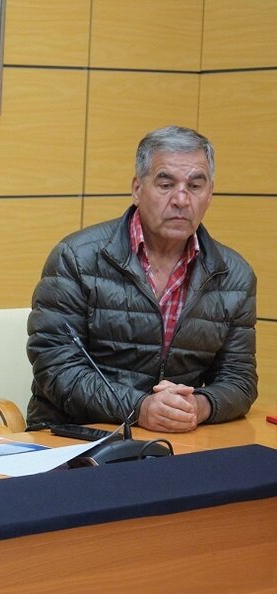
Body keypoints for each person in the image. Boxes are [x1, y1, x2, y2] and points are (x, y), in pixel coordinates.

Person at [27, 126, 257, 432]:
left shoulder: (234, 275)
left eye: (195, 186)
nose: (181, 199)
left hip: (177, 439)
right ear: (137, 189)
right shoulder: (77, 258)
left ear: (210, 193)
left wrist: (198, 406)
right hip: (76, 437)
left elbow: (239, 379)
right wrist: (139, 408)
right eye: (165, 184)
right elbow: (55, 366)